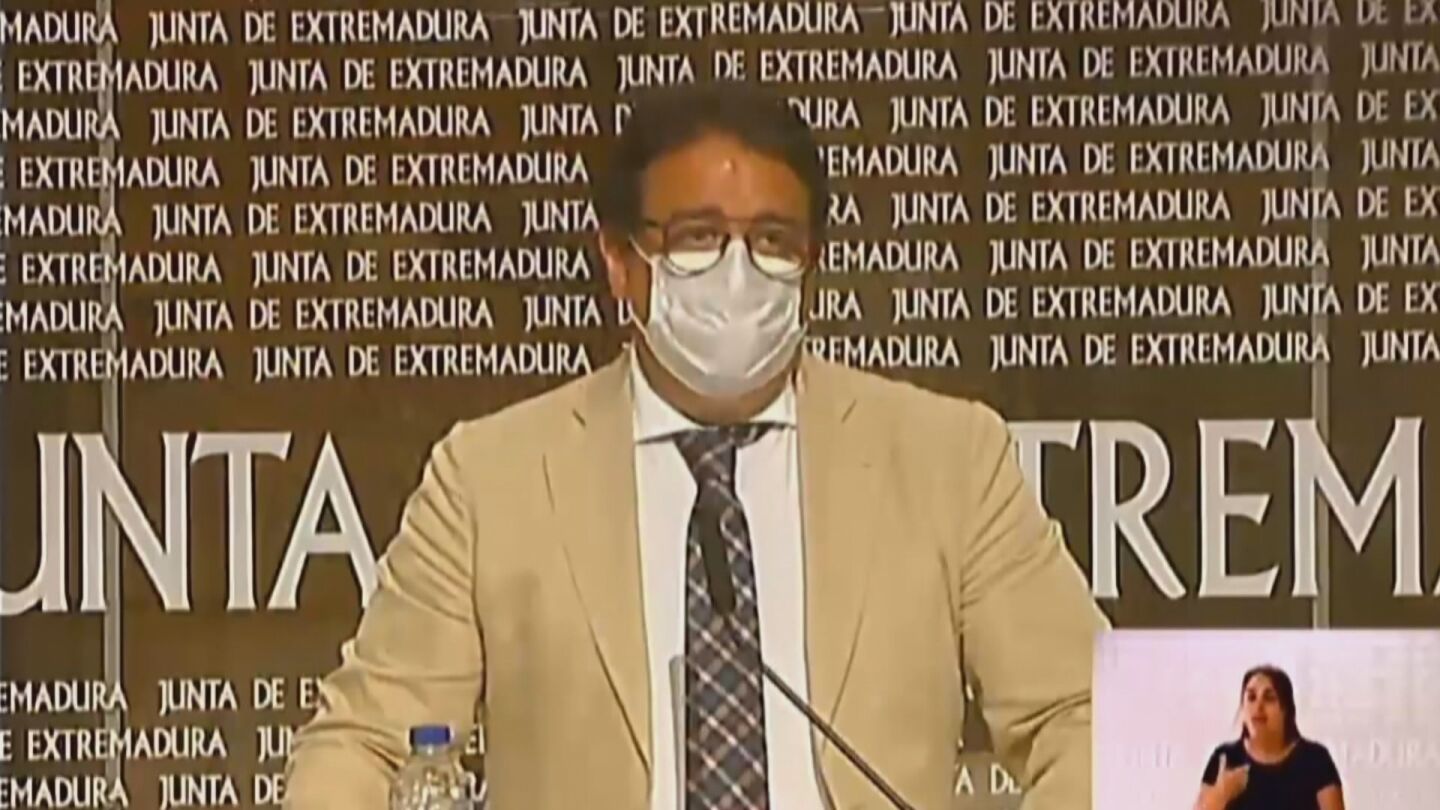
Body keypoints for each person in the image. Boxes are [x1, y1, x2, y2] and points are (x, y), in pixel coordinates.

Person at [284, 80, 1108, 810]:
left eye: (773, 240)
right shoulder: (490, 478)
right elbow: (365, 744)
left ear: (812, 263)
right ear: (621, 260)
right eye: (697, 237)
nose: (737, 271)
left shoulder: (947, 459)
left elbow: (1084, 713)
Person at [1195, 665, 1345, 810]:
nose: (1258, 707)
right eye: (1251, 698)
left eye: (1269, 698)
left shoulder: (1315, 760)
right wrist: (1221, 795)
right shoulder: (1225, 758)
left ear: (1286, 709)